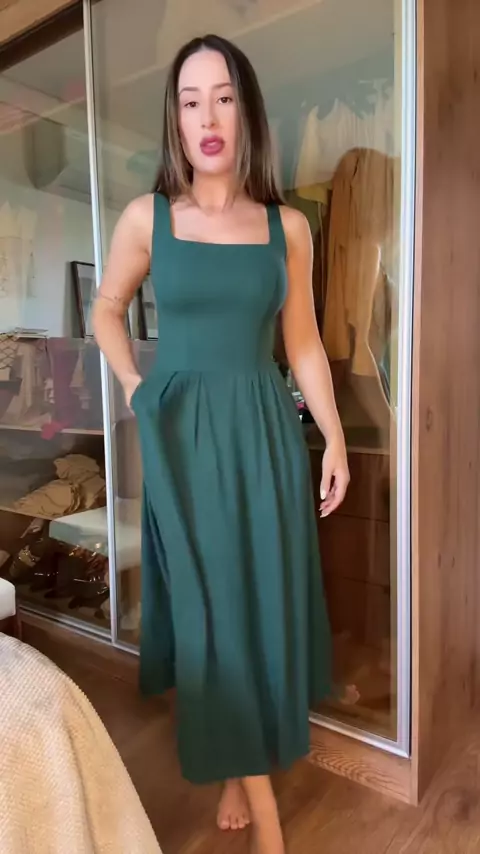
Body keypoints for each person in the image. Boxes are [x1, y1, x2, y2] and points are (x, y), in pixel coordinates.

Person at [93, 33, 349, 854]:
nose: (208, 117)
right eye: (191, 100)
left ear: (247, 113)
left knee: (256, 603)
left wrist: (334, 437)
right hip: (179, 442)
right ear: (176, 119)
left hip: (262, 436)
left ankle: (239, 775)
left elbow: (302, 341)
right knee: (210, 612)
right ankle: (267, 815)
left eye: (225, 98)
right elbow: (106, 309)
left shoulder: (288, 228)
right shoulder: (148, 219)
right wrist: (133, 384)